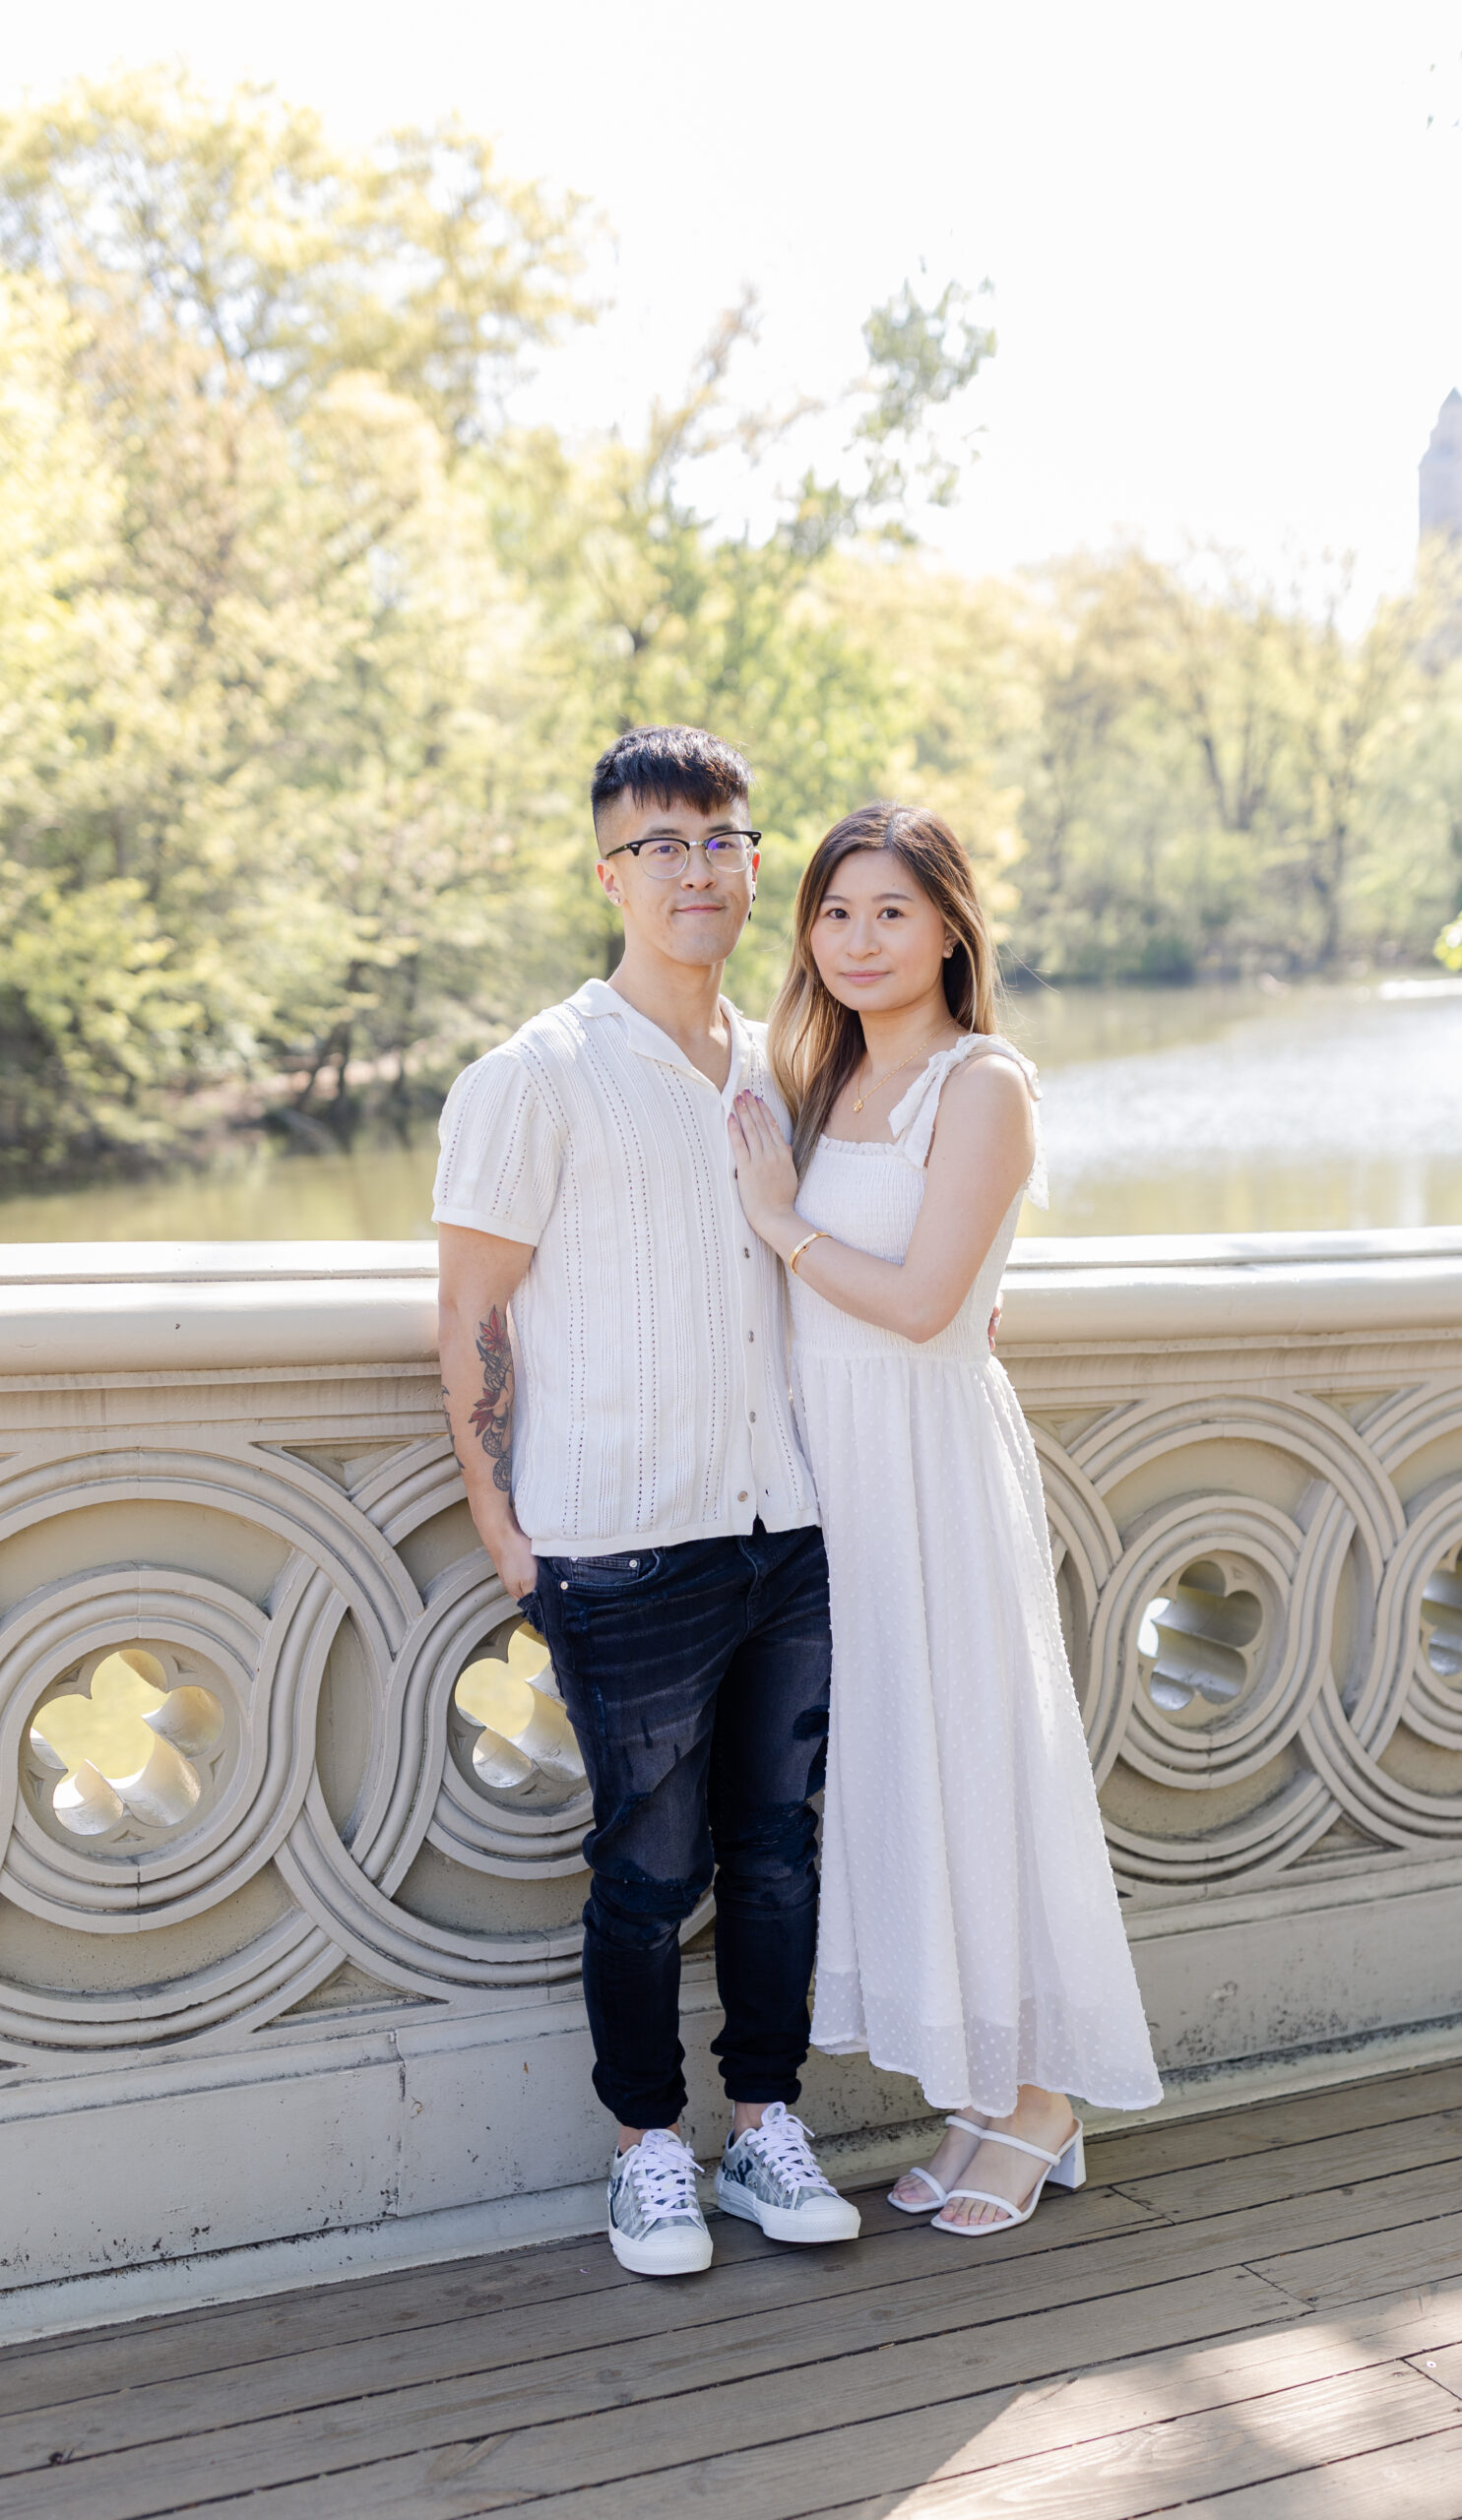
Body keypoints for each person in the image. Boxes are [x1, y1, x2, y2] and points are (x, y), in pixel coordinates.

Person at [431, 725, 861, 2277]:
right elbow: (474, 1311)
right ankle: (647, 2152)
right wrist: (506, 1534)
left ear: (755, 865)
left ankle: (762, 2126)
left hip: (786, 1530)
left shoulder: (784, 1067)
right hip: (619, 1544)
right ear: (608, 871)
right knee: (644, 1868)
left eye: (723, 840)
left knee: (777, 1851)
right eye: (661, 845)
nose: (698, 869)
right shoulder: (533, 1075)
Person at [728, 801, 1162, 2236]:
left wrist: (782, 1218)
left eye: (890, 913)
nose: (857, 940)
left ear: (951, 928)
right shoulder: (818, 1074)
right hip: (830, 1472)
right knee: (899, 1767)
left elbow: (925, 1307)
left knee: (983, 1755)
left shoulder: (984, 1084)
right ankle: (985, 2086)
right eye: (835, 913)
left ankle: (1047, 2101)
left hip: (928, 1459)